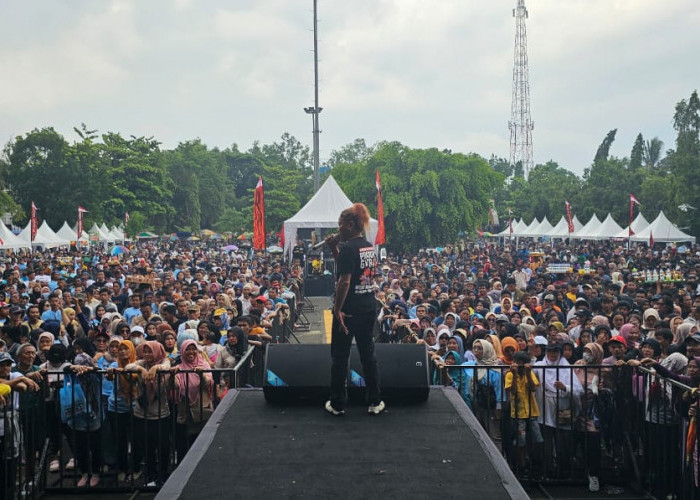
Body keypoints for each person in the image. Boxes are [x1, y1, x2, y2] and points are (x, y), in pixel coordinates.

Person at [325, 203, 385, 416]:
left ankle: (338, 403)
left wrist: (337, 309)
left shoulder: (349, 248)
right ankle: (375, 401)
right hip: (368, 306)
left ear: (350, 225)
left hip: (348, 310)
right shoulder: (367, 246)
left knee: (340, 356)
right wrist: (334, 248)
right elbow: (348, 265)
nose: (338, 229)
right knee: (367, 354)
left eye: (340, 225)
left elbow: (344, 281)